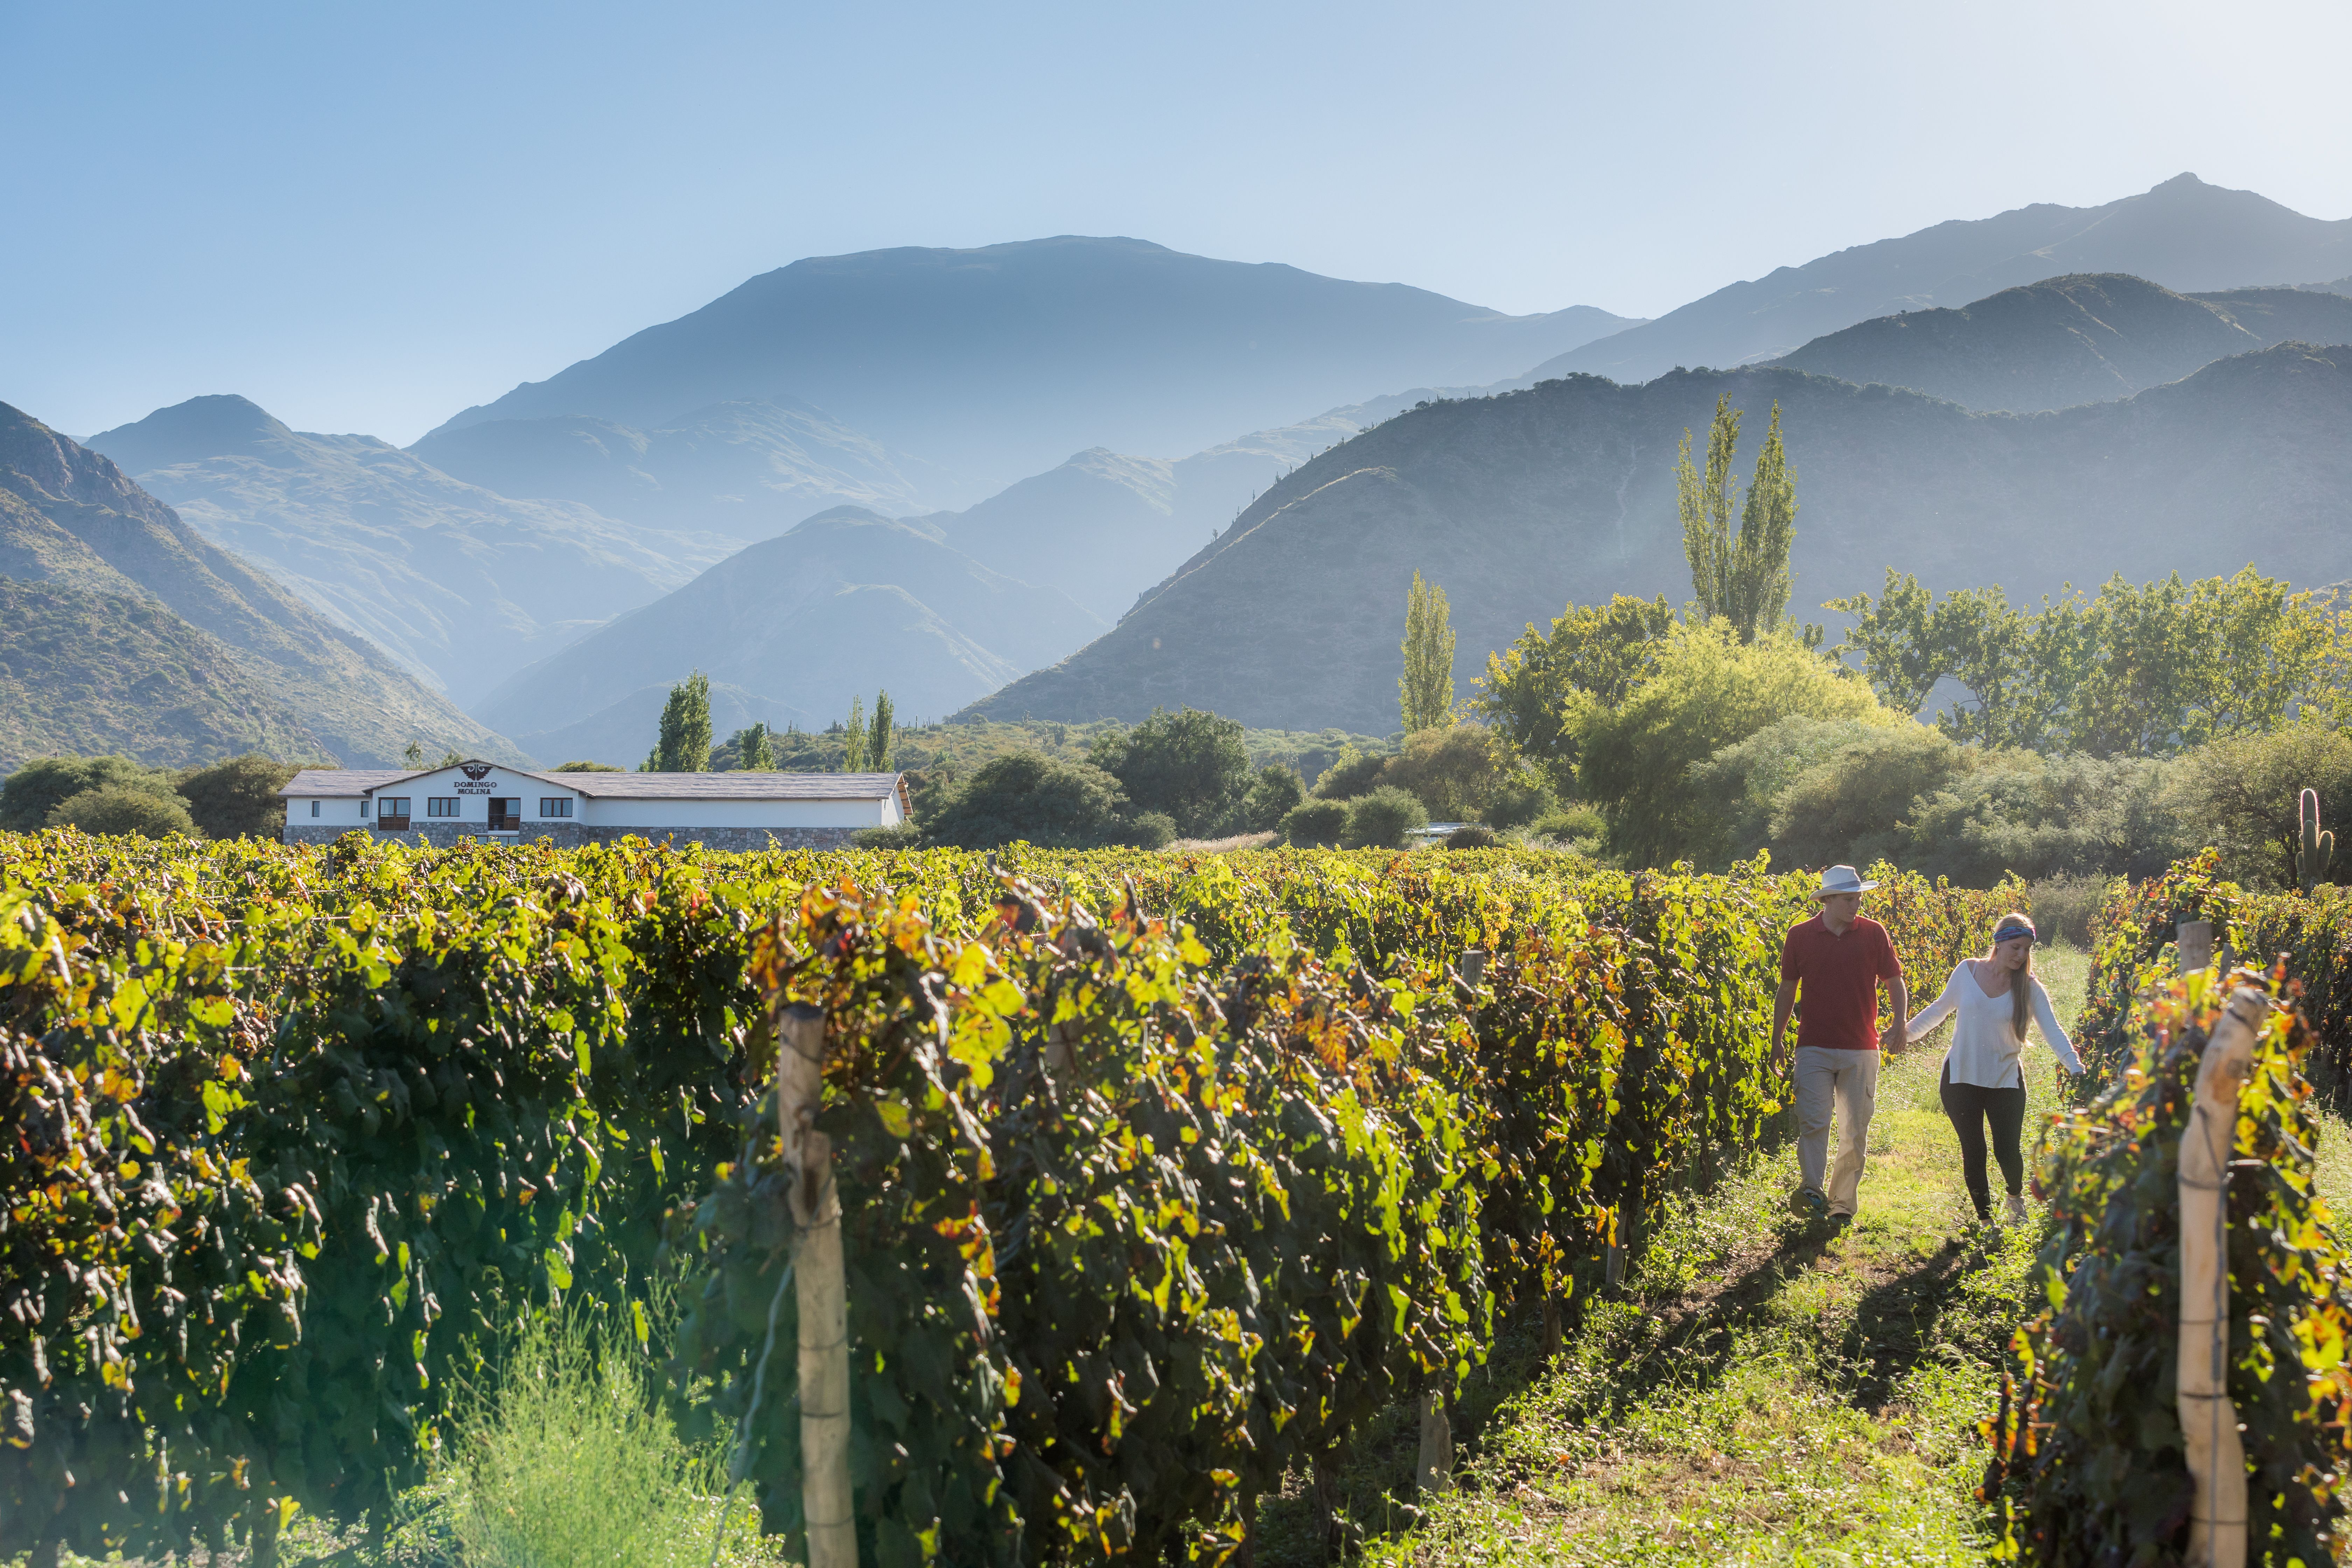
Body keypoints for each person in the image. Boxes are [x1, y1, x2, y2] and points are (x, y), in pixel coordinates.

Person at [1903, 910, 2085, 1227]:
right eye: (2016, 947)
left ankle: (2015, 1198)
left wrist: (2075, 1066)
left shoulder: (2029, 988)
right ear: (1998, 944)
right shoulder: (1968, 972)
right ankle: (1987, 1223)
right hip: (1960, 1078)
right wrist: (1902, 1035)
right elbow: (1938, 1010)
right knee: (1974, 1150)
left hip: (2005, 1080)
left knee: (2008, 1151)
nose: (2022, 955)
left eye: (2027, 949)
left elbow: (2053, 1031)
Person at [1771, 864, 1907, 1226]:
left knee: (1854, 1128)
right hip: (1813, 1046)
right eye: (1849, 899)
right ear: (1828, 900)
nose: (1856, 905)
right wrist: (1777, 1040)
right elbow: (1787, 990)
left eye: (1859, 898)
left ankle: (1842, 1205)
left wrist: (1899, 1022)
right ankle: (1813, 1192)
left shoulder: (1873, 933)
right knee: (1813, 1121)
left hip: (1862, 1047)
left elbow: (1895, 979)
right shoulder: (1799, 936)